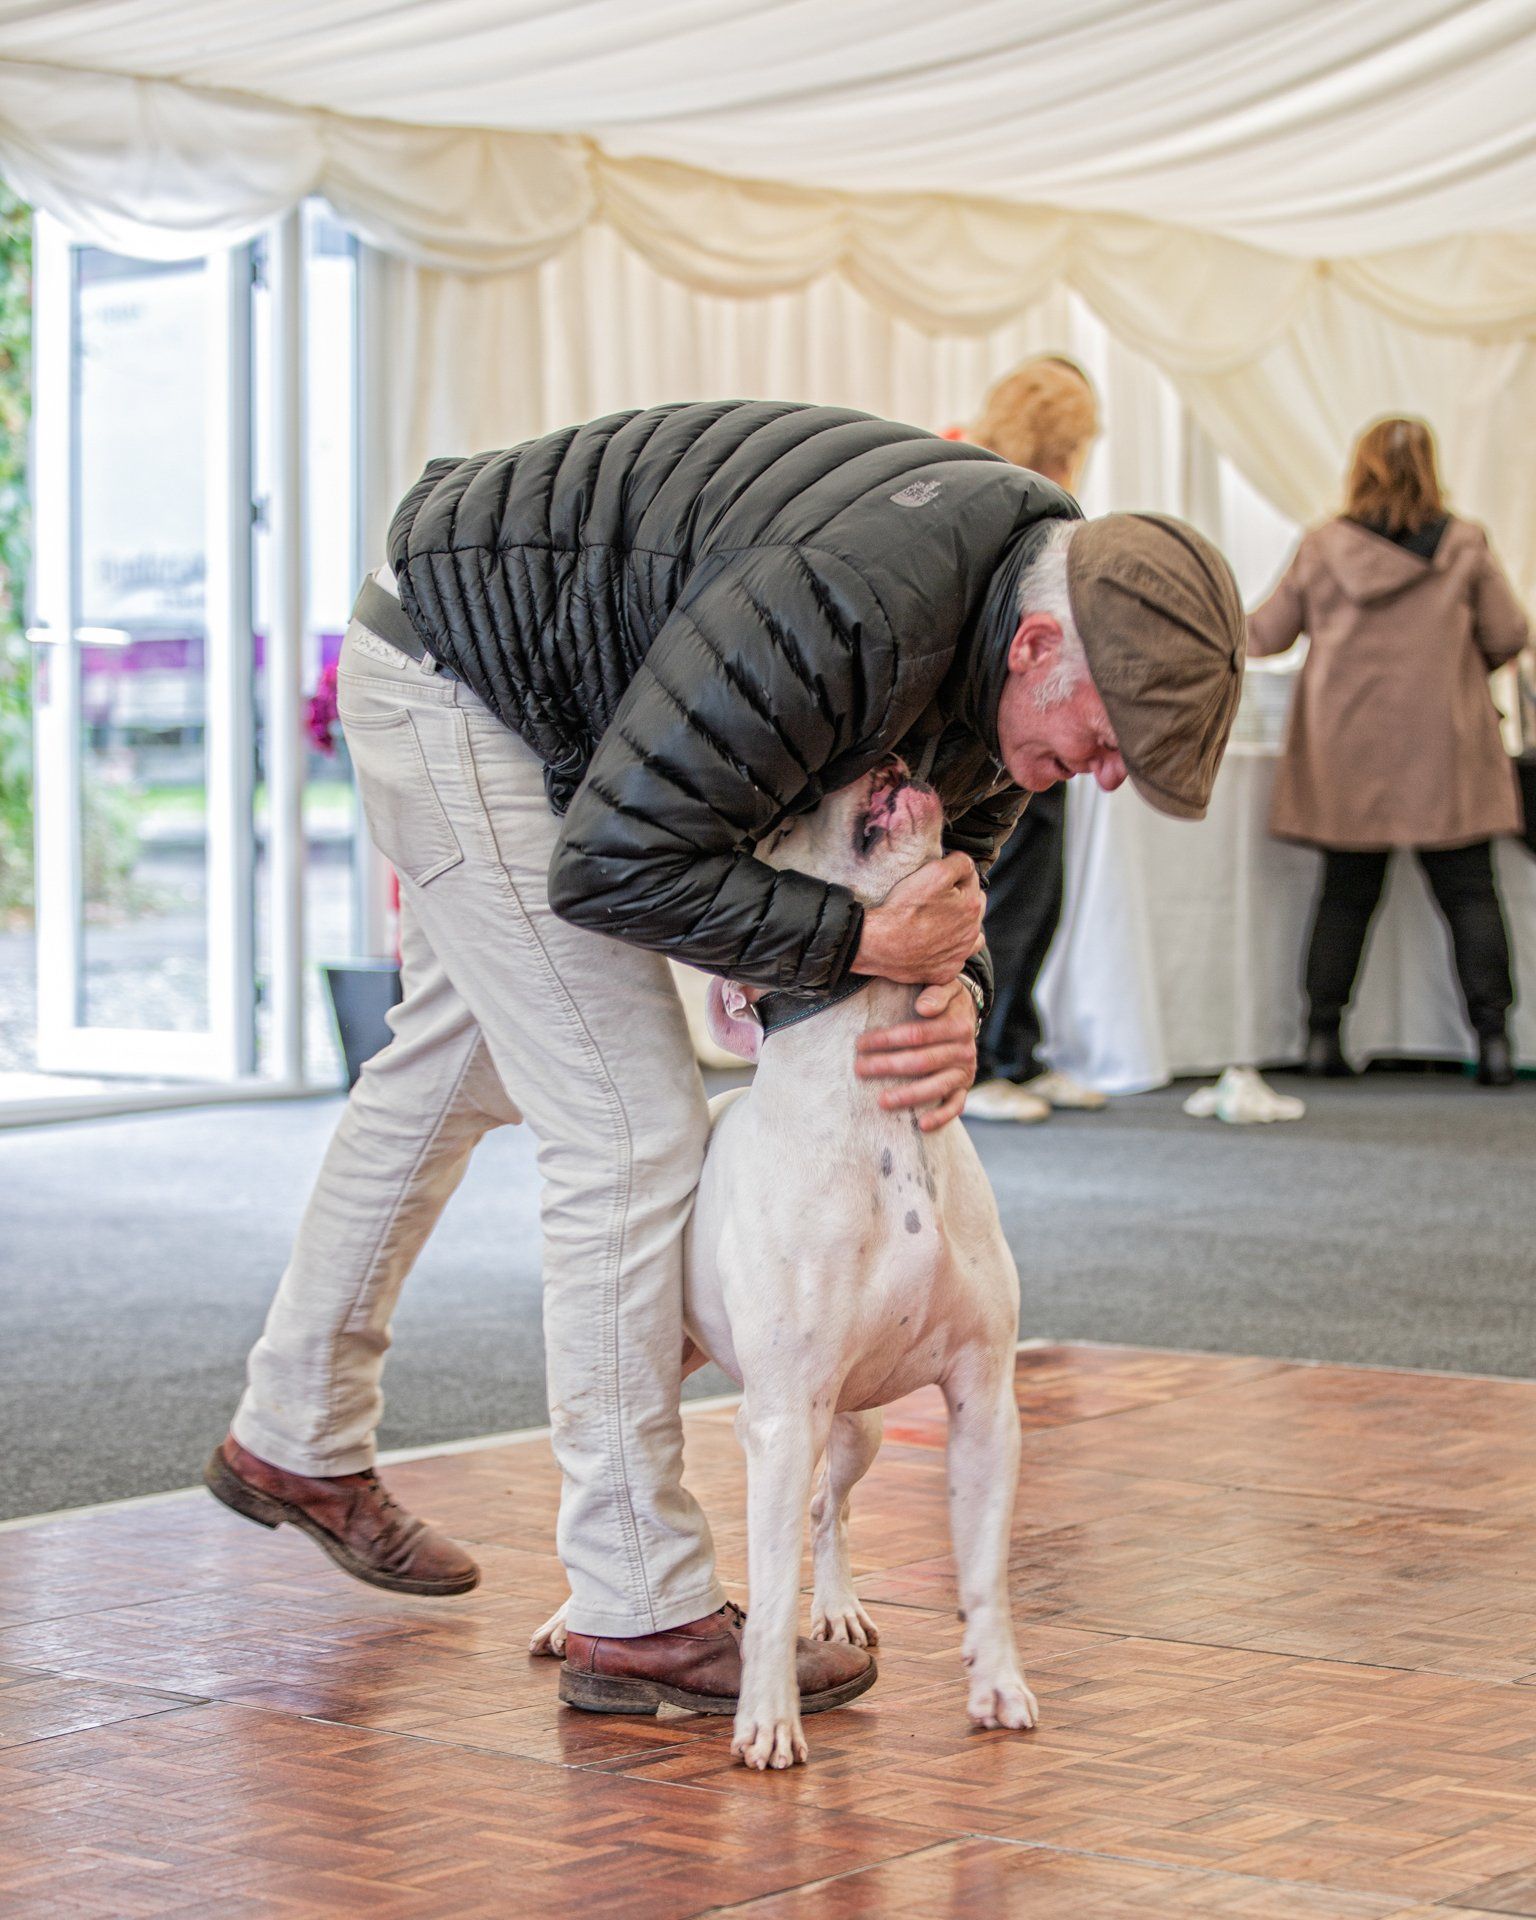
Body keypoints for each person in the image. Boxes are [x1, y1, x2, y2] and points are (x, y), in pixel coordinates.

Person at [207, 401, 1244, 1720]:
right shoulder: (856, 607)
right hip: (462, 678)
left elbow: (955, 862)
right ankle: (638, 1605)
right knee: (633, 1129)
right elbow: (615, 865)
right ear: (1039, 644)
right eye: (1108, 741)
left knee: (453, 1069)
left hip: (552, 685)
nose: (1100, 778)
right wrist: (864, 935)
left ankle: (293, 1431)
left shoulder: (1011, 631)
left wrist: (955, 989)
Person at [1249, 416, 1528, 1084]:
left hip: (1350, 752)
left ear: (1359, 468)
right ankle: (1493, 1043)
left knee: (1344, 896)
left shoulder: (1322, 547)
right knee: (1470, 894)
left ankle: (1322, 1038)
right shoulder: (1464, 543)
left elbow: (1265, 634)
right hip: (1446, 747)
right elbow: (1511, 632)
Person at [951, 357, 1108, 1123]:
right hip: (1000, 733)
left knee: (1034, 896)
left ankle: (1017, 1046)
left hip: (1036, 727)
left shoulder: (990, 481)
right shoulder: (999, 493)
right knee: (1003, 895)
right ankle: (979, 1063)